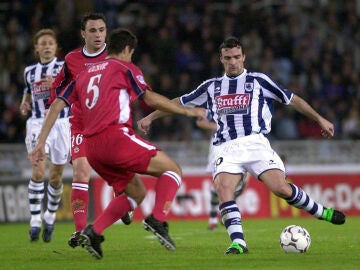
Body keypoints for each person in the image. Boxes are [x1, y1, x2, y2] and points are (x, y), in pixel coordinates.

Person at [137, 37, 346, 254]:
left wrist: (319, 118)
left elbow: (292, 99)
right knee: (224, 189)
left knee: (280, 188)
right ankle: (239, 242)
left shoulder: (259, 81)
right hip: (226, 147)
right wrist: (151, 117)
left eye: (237, 57)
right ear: (221, 59)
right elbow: (179, 102)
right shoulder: (211, 86)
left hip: (256, 143)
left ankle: (321, 212)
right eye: (228, 58)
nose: (233, 62)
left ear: (244, 57)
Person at [29, 28, 204, 259]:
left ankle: (94, 232)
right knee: (173, 170)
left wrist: (40, 142)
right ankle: (158, 220)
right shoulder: (124, 67)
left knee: (136, 193)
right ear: (126, 50)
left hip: (92, 148)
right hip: (115, 138)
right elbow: (149, 98)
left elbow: (56, 105)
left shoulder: (83, 75)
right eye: (131, 53)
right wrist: (186, 112)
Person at [48, 13, 146, 247]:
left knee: (117, 170)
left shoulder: (115, 57)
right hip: (81, 123)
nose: (98, 35)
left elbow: (132, 85)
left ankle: (122, 200)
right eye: (93, 30)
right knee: (81, 172)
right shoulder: (71, 59)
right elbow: (58, 88)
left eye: (102, 30)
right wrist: (54, 107)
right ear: (83, 34)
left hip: (111, 122)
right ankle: (81, 231)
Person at [19, 28, 70, 242]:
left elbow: (74, 89)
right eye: (43, 43)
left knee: (56, 177)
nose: (47, 46)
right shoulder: (29, 71)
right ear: (36, 48)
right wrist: (24, 101)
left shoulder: (65, 67)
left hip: (62, 123)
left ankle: (49, 216)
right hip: (38, 123)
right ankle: (35, 220)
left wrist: (57, 86)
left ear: (56, 47)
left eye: (51, 43)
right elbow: (27, 89)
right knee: (39, 171)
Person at [196, 113, 249, 230]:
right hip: (219, 145)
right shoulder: (214, 102)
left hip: (240, 144)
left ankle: (226, 210)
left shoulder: (243, 103)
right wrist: (222, 127)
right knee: (218, 184)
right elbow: (200, 122)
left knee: (239, 184)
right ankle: (214, 218)